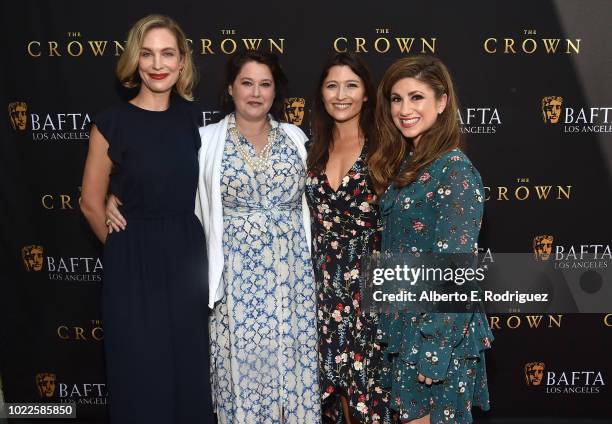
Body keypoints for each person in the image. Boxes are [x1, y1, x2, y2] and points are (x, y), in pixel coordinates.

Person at [80, 14, 212, 423]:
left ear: (182, 61)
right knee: (138, 371)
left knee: (186, 370)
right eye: (148, 53)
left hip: (186, 261)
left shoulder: (197, 121)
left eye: (167, 54)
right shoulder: (111, 123)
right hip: (132, 264)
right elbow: (90, 201)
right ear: (134, 60)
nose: (158, 64)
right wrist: (124, 249)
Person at [369, 56, 493, 424]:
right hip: (405, 326)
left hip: (433, 336)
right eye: (396, 98)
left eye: (416, 97)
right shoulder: (411, 163)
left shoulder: (454, 171)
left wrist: (433, 348)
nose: (404, 109)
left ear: (442, 102)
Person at [198, 50, 320, 423]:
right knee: (246, 374)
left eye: (264, 84)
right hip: (236, 281)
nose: (255, 93)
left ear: (275, 91)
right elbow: (169, 193)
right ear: (230, 88)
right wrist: (114, 201)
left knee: (293, 370)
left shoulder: (296, 138)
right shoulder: (205, 141)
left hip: (293, 279)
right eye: (246, 83)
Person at [305, 52, 390, 424]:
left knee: (370, 396)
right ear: (321, 94)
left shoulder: (386, 149)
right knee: (333, 394)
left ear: (367, 94)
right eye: (332, 85)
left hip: (371, 291)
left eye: (351, 85)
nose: (341, 94)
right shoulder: (310, 148)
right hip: (322, 289)